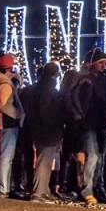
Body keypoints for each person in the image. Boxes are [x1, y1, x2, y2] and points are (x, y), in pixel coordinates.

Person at [69, 49, 106, 205]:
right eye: (101, 63)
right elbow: (75, 97)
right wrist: (80, 115)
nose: (104, 66)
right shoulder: (86, 79)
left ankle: (94, 187)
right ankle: (86, 189)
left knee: (99, 157)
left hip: (102, 122)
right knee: (93, 156)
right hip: (89, 122)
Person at [26, 62, 64, 203]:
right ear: (56, 73)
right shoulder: (50, 90)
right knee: (44, 161)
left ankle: (43, 190)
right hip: (48, 130)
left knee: (46, 161)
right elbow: (48, 112)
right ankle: (38, 192)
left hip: (39, 129)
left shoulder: (38, 88)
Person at [0, 54, 24, 198]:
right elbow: (5, 104)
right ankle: (4, 188)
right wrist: (17, 114)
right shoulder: (4, 83)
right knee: (6, 157)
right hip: (7, 122)